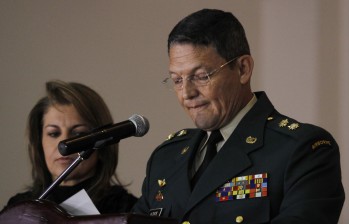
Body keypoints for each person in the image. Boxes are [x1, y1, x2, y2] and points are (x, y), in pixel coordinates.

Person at [132, 9, 345, 223]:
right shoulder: (166, 159)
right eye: (177, 80)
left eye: (201, 76)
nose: (187, 93)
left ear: (243, 69)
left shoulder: (302, 149)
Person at [4, 80, 137, 214]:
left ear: (103, 143)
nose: (64, 144)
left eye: (78, 133)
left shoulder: (126, 209)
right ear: (39, 143)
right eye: (54, 133)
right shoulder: (18, 209)